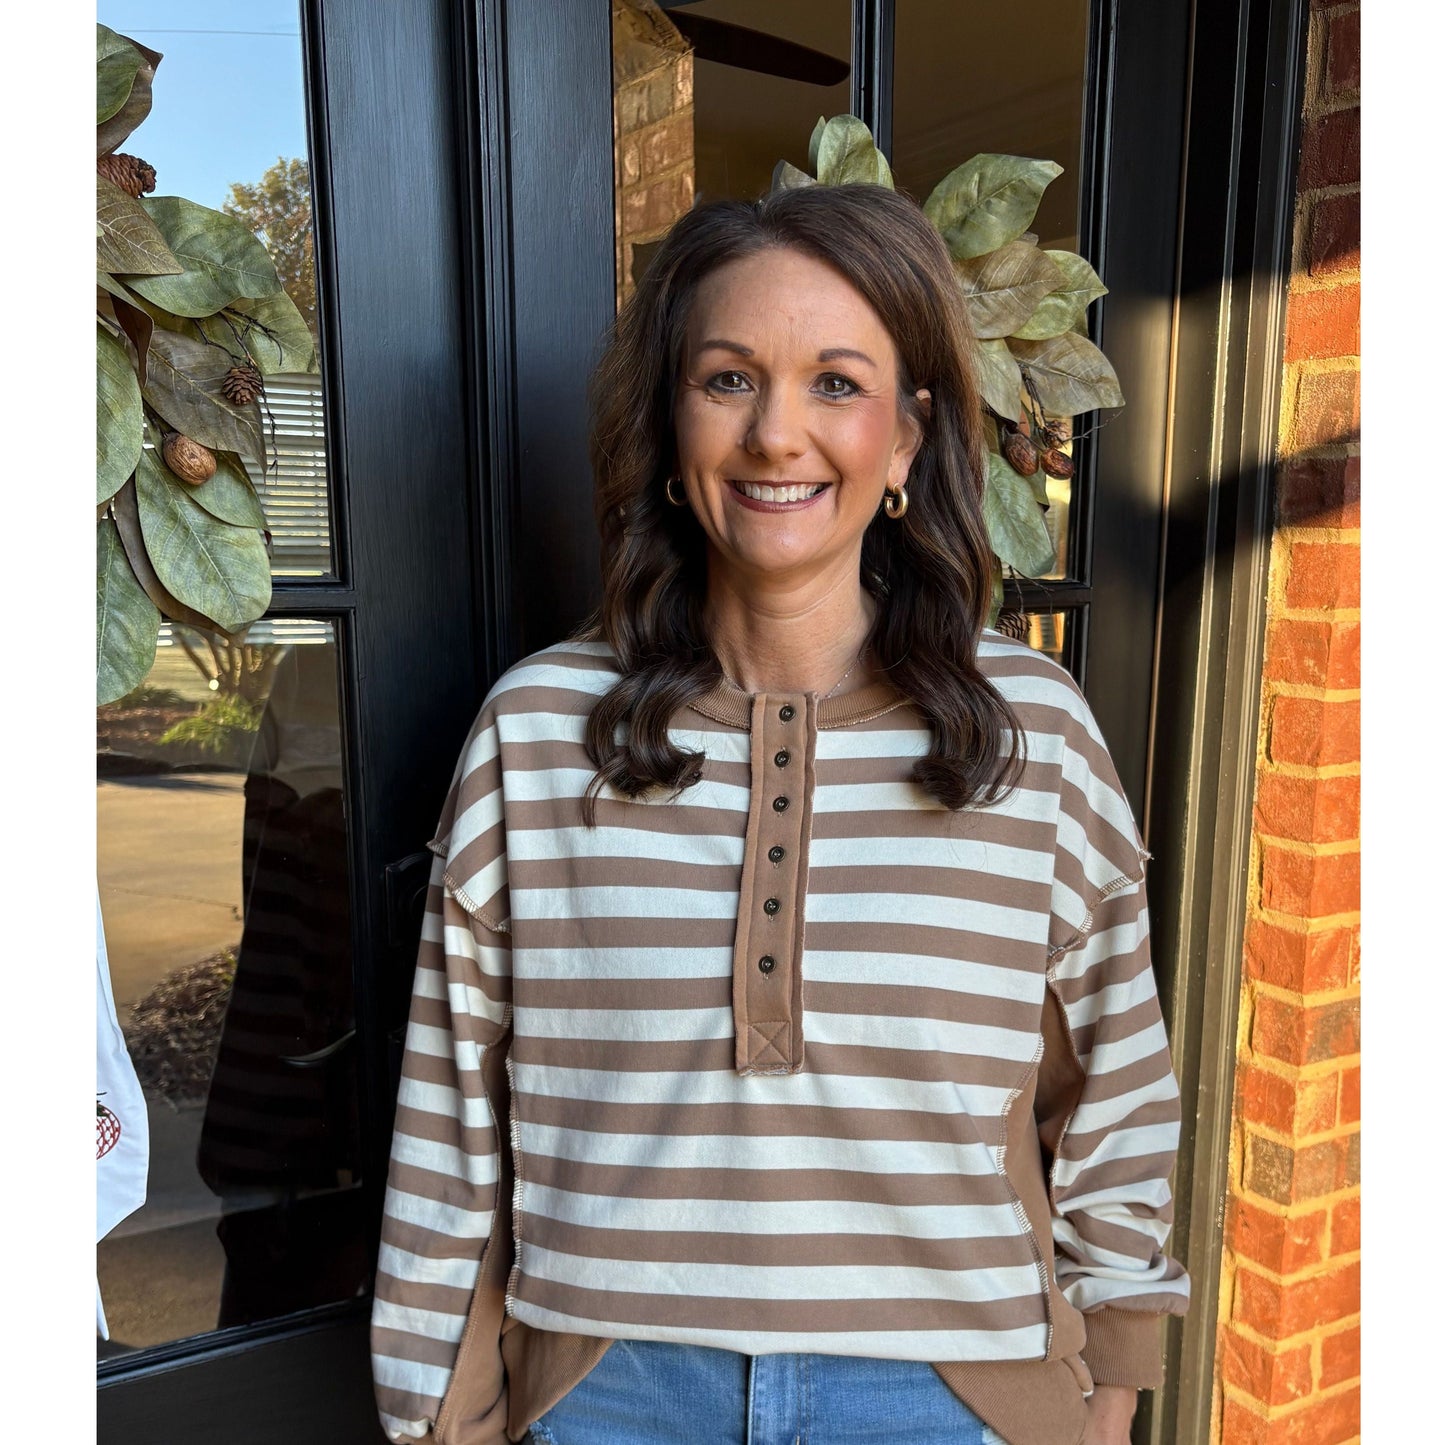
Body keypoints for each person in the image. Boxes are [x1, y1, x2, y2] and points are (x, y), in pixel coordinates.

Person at [370, 183, 1189, 1445]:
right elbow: (449, 1112)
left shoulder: (1030, 728)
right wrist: (438, 1408)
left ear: (909, 438)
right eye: (727, 379)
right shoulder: (535, 730)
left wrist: (1112, 1386)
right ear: (668, 419)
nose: (775, 435)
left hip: (950, 1399)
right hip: (610, 1395)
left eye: (836, 384)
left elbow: (1113, 1088)